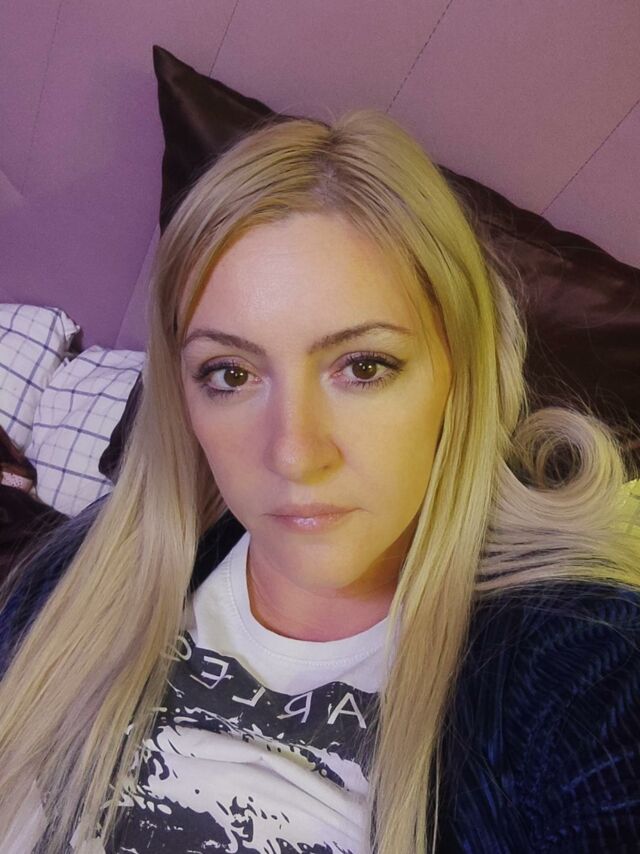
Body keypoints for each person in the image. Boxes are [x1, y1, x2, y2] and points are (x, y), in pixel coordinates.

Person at [0, 109, 639, 854]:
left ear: (459, 376)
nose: (294, 454)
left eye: (363, 366)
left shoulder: (583, 670)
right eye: (230, 374)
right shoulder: (77, 572)